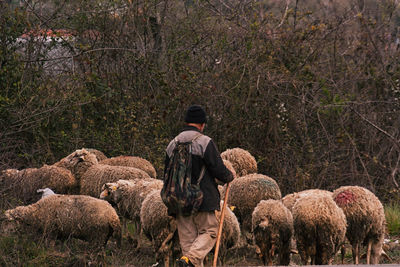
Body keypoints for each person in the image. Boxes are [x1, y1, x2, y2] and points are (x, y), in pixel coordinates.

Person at [163, 105, 234, 267]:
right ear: (202, 124)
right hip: (202, 199)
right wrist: (229, 176)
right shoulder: (204, 142)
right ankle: (189, 260)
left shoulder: (172, 145)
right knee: (209, 232)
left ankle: (187, 260)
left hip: (179, 200)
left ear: (186, 122)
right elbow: (218, 169)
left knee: (188, 242)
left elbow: (166, 174)